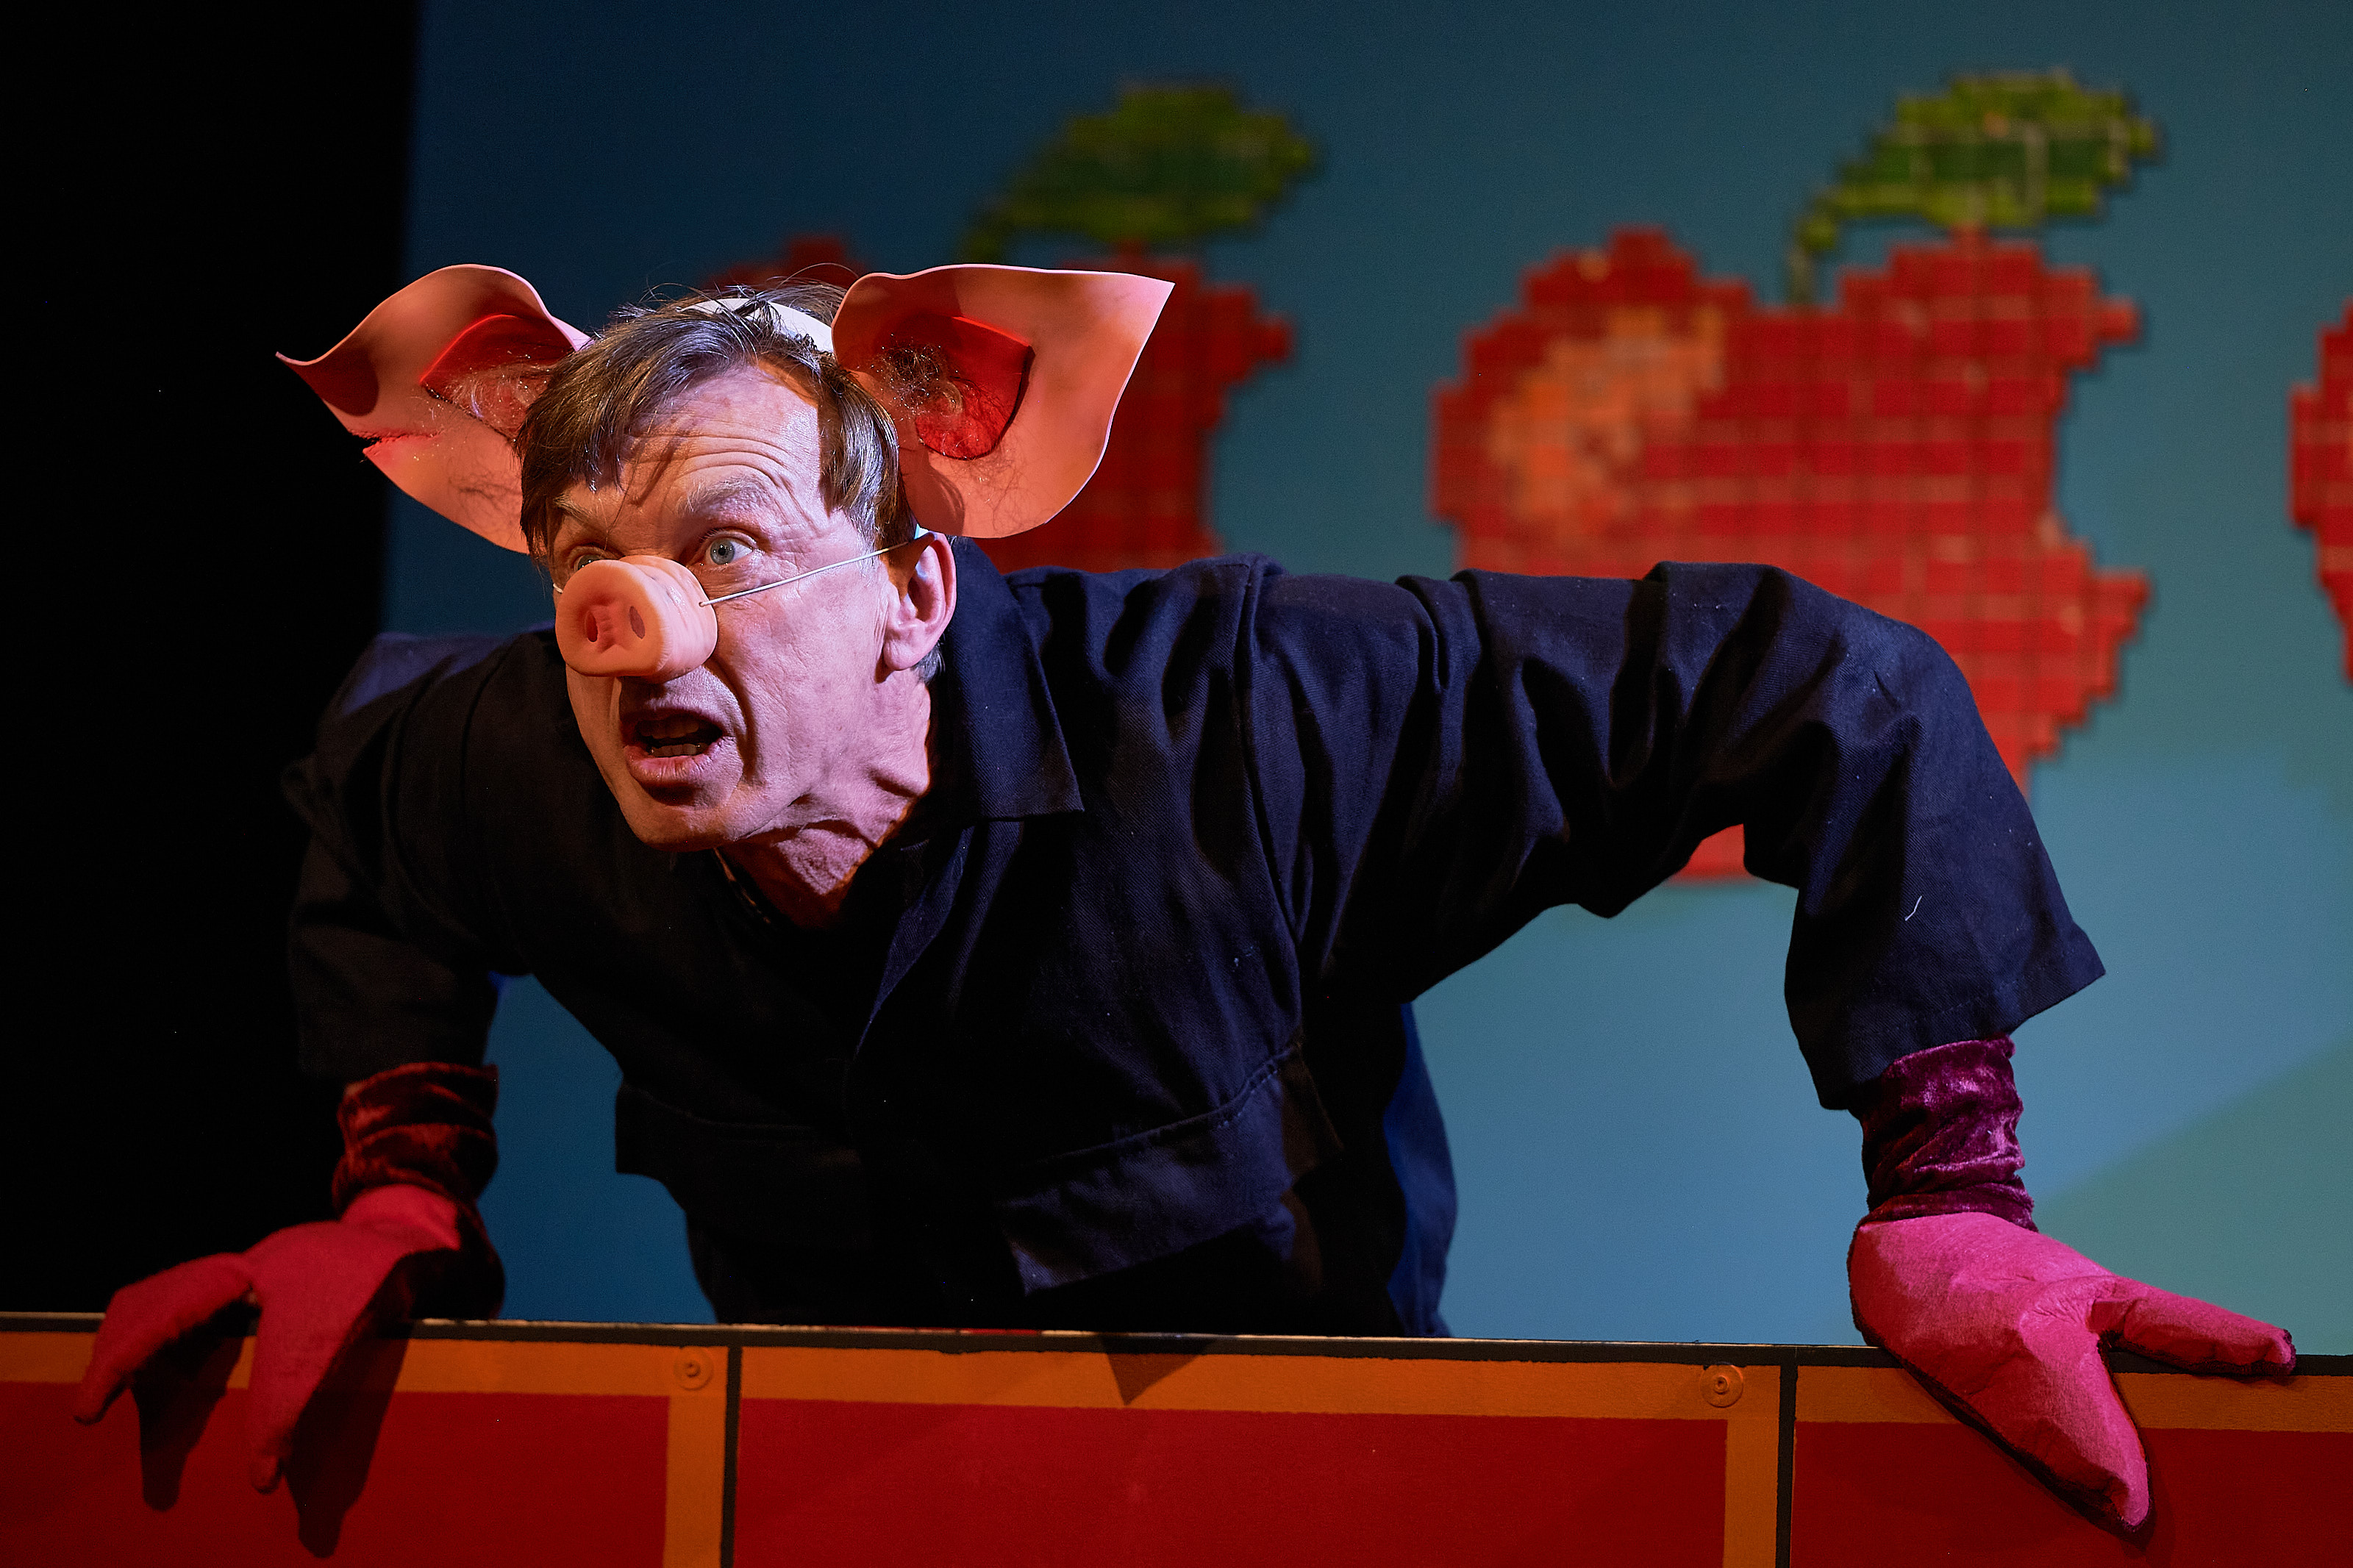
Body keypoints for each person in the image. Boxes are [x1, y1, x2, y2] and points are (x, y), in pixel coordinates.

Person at [75, 263, 2291, 1533]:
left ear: (915, 588)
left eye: (729, 550)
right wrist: (399, 1179)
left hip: (1293, 1487)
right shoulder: (510, 760)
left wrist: (1948, 1194)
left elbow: (1822, 687)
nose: (627, 630)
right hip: (846, 1489)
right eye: (585, 562)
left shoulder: (1256, 718)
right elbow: (369, 823)